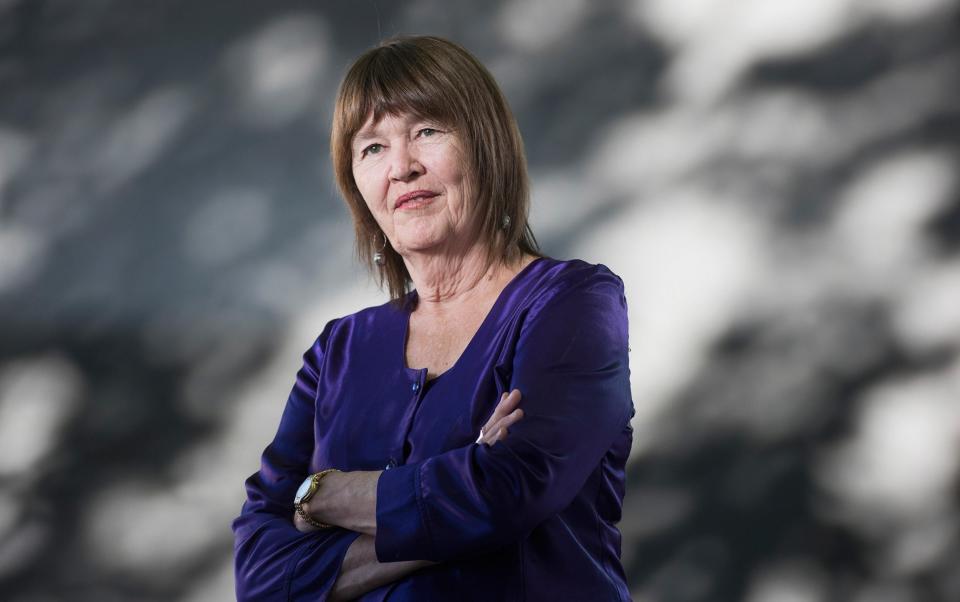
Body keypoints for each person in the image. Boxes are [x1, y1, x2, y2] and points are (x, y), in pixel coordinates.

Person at [232, 35, 634, 601]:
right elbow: (261, 579)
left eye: (427, 131)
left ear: (486, 146)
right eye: (372, 147)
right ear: (357, 186)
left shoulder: (572, 302)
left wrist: (327, 496)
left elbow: (512, 488)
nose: (402, 167)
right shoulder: (338, 351)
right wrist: (466, 491)